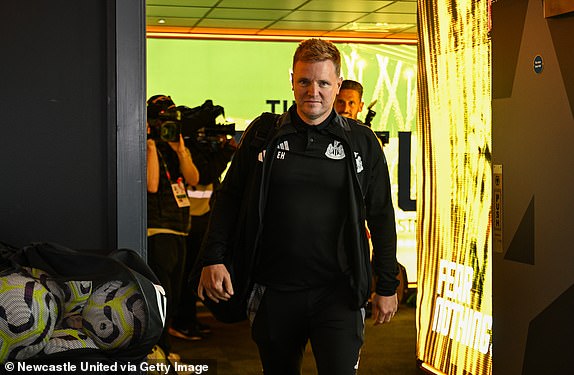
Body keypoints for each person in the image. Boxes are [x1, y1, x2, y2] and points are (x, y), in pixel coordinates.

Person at [197, 38, 399, 374]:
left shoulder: (361, 142)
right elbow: (229, 197)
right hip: (274, 291)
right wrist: (213, 257)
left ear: (337, 84)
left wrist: (388, 284)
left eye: (322, 82)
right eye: (304, 81)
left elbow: (381, 215)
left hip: (339, 295)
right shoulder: (265, 134)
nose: (313, 91)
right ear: (292, 80)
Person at [170, 129, 237, 341]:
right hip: (187, 220)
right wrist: (225, 153)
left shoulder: (196, 150)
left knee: (192, 273)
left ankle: (189, 320)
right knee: (186, 275)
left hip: (201, 217)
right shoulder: (183, 151)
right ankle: (182, 322)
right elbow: (204, 174)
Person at [146, 94, 200, 358]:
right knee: (161, 297)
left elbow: (193, 178)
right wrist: (150, 146)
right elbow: (152, 185)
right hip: (158, 232)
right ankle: (160, 351)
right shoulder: (147, 147)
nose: (167, 124)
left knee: (174, 297)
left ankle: (164, 350)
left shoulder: (175, 146)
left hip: (180, 229)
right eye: (162, 119)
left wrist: (180, 150)